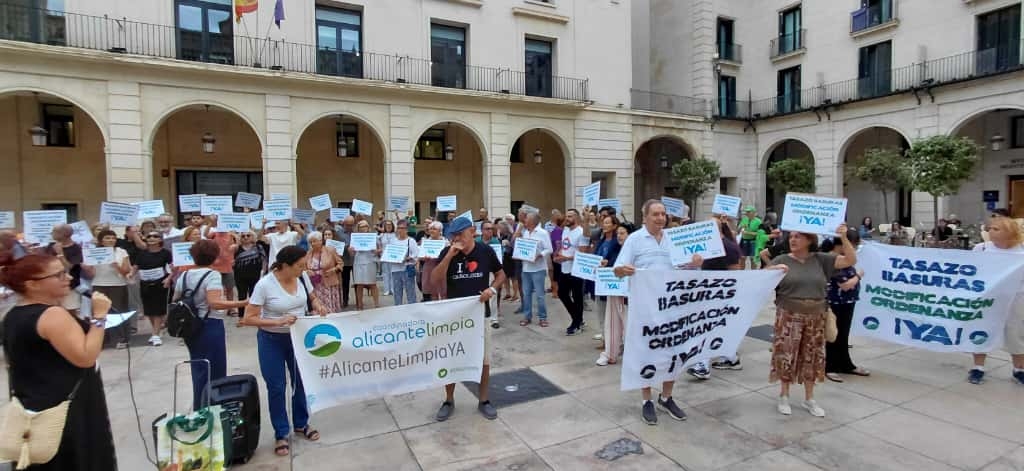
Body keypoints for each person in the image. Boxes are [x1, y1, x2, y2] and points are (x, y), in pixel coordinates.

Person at [1, 254, 117, 469]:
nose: (67, 278)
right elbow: (85, 356)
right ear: (32, 284)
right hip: (65, 405)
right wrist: (99, 316)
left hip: (35, 401)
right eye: (58, 275)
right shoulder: (52, 315)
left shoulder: (14, 315)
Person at [614, 199, 701, 425]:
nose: (661, 218)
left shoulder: (674, 239)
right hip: (644, 310)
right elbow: (617, 270)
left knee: (673, 352)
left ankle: (667, 397)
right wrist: (623, 270)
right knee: (646, 353)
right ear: (645, 217)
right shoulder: (634, 240)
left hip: (671, 309)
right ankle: (647, 400)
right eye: (655, 214)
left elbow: (683, 269)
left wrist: (693, 263)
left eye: (663, 214)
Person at [242, 246, 327, 457]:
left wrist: (318, 305)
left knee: (300, 382)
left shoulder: (303, 278)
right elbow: (248, 318)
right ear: (285, 265)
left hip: (297, 338)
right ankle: (281, 432)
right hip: (271, 340)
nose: (303, 268)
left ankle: (301, 423)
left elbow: (312, 297)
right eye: (299, 266)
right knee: (277, 386)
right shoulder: (264, 285)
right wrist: (277, 321)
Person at [764, 225, 857, 418]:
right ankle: (784, 395)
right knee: (786, 354)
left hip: (815, 315)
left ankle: (809, 398)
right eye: (792, 236)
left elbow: (850, 260)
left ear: (809, 240)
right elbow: (763, 277)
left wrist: (843, 237)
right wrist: (773, 269)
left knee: (812, 356)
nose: (793, 240)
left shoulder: (821, 260)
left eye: (798, 237)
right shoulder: (782, 260)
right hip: (789, 315)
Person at [430, 217, 506, 422]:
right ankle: (448, 399)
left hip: (480, 314)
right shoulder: (447, 252)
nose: (457, 239)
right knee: (451, 358)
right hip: (455, 316)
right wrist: (449, 256)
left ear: (472, 231)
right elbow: (434, 281)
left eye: (460, 234)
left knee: (484, 360)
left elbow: (501, 275)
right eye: (453, 235)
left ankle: (483, 400)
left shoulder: (485, 251)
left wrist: (491, 289)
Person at [174, 240, 248, 410]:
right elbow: (215, 303)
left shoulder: (184, 276)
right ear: (214, 257)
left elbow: (176, 300)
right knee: (215, 369)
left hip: (190, 326)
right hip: (210, 324)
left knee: (198, 367)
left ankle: (200, 406)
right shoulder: (212, 275)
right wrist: (242, 302)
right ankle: (213, 406)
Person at [968, 216, 1024, 385]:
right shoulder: (982, 249)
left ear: (1009, 232)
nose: (990, 231)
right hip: (987, 299)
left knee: (1016, 333)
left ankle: (1019, 369)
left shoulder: (1021, 251)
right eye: (990, 228)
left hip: (1016, 298)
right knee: (981, 330)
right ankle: (978, 367)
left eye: (996, 229)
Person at [819, 231, 870, 382]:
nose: (853, 249)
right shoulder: (832, 260)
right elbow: (845, 285)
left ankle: (845, 364)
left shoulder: (845, 260)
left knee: (843, 335)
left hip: (847, 302)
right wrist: (859, 275)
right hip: (835, 303)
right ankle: (830, 366)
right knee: (833, 335)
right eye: (852, 245)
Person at [705, 219, 746, 372]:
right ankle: (730, 358)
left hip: (721, 295)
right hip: (710, 294)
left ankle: (726, 359)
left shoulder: (728, 247)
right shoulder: (710, 246)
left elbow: (734, 274)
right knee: (716, 327)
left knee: (718, 327)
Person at [89, 229, 133, 349]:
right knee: (100, 312)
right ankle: (102, 339)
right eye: (107, 238)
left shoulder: (121, 251)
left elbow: (126, 271)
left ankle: (122, 338)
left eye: (113, 238)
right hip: (99, 284)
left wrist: (116, 266)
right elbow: (90, 273)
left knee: (119, 311)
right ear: (101, 240)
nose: (111, 240)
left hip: (118, 285)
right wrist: (87, 265)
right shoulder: (94, 252)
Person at [135, 230, 173, 346]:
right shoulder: (141, 253)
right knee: (149, 310)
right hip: (145, 284)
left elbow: (173, 267)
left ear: (160, 240)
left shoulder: (166, 253)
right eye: (149, 236)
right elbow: (136, 266)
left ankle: (155, 334)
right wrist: (131, 274)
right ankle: (156, 330)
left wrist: (169, 279)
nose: (151, 238)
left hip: (160, 283)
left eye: (155, 236)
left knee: (158, 309)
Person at [45, 224, 92, 317]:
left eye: (54, 231)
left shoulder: (76, 248)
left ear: (64, 234)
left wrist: (60, 253)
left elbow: (68, 268)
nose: (51, 233)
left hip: (70, 287)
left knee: (70, 314)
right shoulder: (50, 246)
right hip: (52, 286)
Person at [594, 216, 623, 366]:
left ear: (614, 225)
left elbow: (618, 261)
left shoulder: (618, 244)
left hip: (614, 284)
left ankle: (617, 344)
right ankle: (608, 341)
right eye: (603, 223)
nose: (604, 225)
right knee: (602, 312)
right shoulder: (601, 240)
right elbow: (596, 256)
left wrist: (608, 263)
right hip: (602, 281)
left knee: (617, 316)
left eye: (607, 223)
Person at [554, 209, 587, 335]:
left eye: (570, 216)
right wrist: (559, 254)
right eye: (566, 216)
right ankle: (578, 318)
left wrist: (566, 258)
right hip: (564, 268)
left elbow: (582, 254)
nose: (567, 218)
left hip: (576, 270)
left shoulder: (581, 233)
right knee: (562, 293)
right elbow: (564, 246)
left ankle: (576, 323)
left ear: (577, 218)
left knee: (577, 297)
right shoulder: (566, 230)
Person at [518, 212, 553, 327]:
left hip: (538, 269)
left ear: (532, 221)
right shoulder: (525, 233)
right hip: (526, 268)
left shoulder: (543, 233)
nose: (524, 221)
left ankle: (543, 318)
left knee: (540, 295)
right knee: (526, 294)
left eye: (526, 219)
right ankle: (527, 317)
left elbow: (549, 249)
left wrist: (539, 255)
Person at [305, 231, 344, 313]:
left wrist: (333, 270)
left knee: (329, 309)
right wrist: (307, 271)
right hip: (314, 284)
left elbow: (340, 264)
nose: (312, 244)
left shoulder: (330, 250)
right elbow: (303, 267)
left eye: (314, 241)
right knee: (318, 307)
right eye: (311, 242)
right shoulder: (308, 253)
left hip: (328, 283)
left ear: (320, 241)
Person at [350, 219, 381, 310]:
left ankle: (376, 305)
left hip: (370, 261)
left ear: (368, 228)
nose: (363, 228)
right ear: (358, 228)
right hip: (358, 262)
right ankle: (360, 305)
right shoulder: (355, 238)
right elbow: (352, 253)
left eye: (365, 226)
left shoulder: (374, 237)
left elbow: (381, 249)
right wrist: (350, 250)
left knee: (372, 284)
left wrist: (377, 251)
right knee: (359, 284)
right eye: (361, 226)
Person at [389, 220, 420, 305]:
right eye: (398, 228)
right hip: (395, 270)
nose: (400, 230)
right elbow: (389, 253)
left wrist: (408, 258)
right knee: (397, 293)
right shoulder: (393, 241)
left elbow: (416, 255)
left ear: (407, 229)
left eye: (402, 228)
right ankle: (398, 310)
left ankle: (412, 310)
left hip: (407, 269)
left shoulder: (411, 241)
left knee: (410, 293)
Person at [419, 221, 449, 302]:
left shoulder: (445, 242)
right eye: (430, 229)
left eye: (434, 229)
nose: (432, 231)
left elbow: (449, 256)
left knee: (443, 291)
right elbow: (420, 256)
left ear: (440, 231)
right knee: (432, 292)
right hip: (429, 268)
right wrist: (423, 258)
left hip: (441, 268)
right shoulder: (425, 241)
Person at [233, 230, 267, 301]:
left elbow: (264, 260)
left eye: (248, 235)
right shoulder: (236, 248)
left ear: (253, 236)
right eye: (243, 236)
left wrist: (263, 271)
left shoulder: (258, 247)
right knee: (241, 296)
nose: (245, 237)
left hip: (255, 275)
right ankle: (241, 312)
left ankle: (252, 312)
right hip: (240, 276)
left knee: (254, 296)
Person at [335, 216, 355, 308]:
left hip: (355, 261)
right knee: (345, 282)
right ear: (343, 223)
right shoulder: (338, 233)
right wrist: (347, 247)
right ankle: (345, 300)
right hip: (345, 261)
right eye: (347, 225)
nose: (349, 227)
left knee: (358, 282)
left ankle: (359, 301)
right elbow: (337, 244)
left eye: (351, 225)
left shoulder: (356, 233)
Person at [379, 220, 397, 296]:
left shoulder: (396, 235)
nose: (388, 226)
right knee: (385, 273)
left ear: (392, 226)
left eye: (390, 225)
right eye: (387, 225)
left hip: (393, 257)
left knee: (393, 273)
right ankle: (386, 290)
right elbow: (378, 245)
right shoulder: (381, 235)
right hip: (384, 257)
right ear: (384, 227)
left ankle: (393, 289)